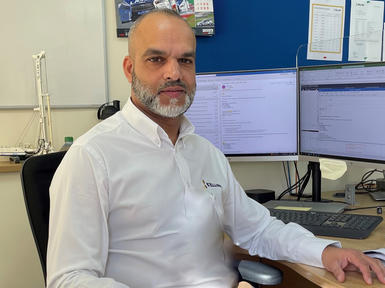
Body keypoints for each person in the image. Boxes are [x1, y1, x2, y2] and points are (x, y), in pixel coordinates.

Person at [46, 9, 385, 288]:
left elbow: (259, 228)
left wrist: (325, 252)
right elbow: (70, 279)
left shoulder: (206, 153)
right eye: (156, 60)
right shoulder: (92, 157)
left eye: (186, 61)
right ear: (129, 69)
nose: (173, 73)